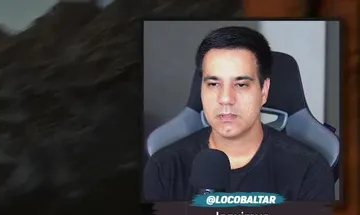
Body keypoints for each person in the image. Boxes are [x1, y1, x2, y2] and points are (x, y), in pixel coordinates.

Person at [142, 26, 335, 202]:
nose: (225, 98)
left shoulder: (310, 171)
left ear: (264, 90)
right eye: (213, 84)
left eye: (241, 85)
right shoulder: (164, 168)